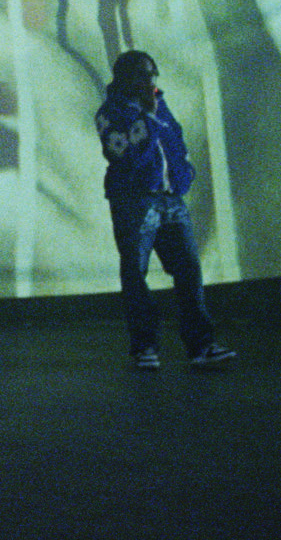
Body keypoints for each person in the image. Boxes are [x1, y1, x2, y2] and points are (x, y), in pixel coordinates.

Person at [97, 50, 237, 370]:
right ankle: (145, 347)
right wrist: (147, 116)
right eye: (143, 75)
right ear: (125, 78)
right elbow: (126, 154)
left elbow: (175, 137)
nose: (150, 81)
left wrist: (183, 174)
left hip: (171, 200)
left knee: (189, 270)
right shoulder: (109, 113)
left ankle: (201, 345)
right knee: (136, 273)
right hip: (134, 201)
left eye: (152, 74)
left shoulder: (159, 102)